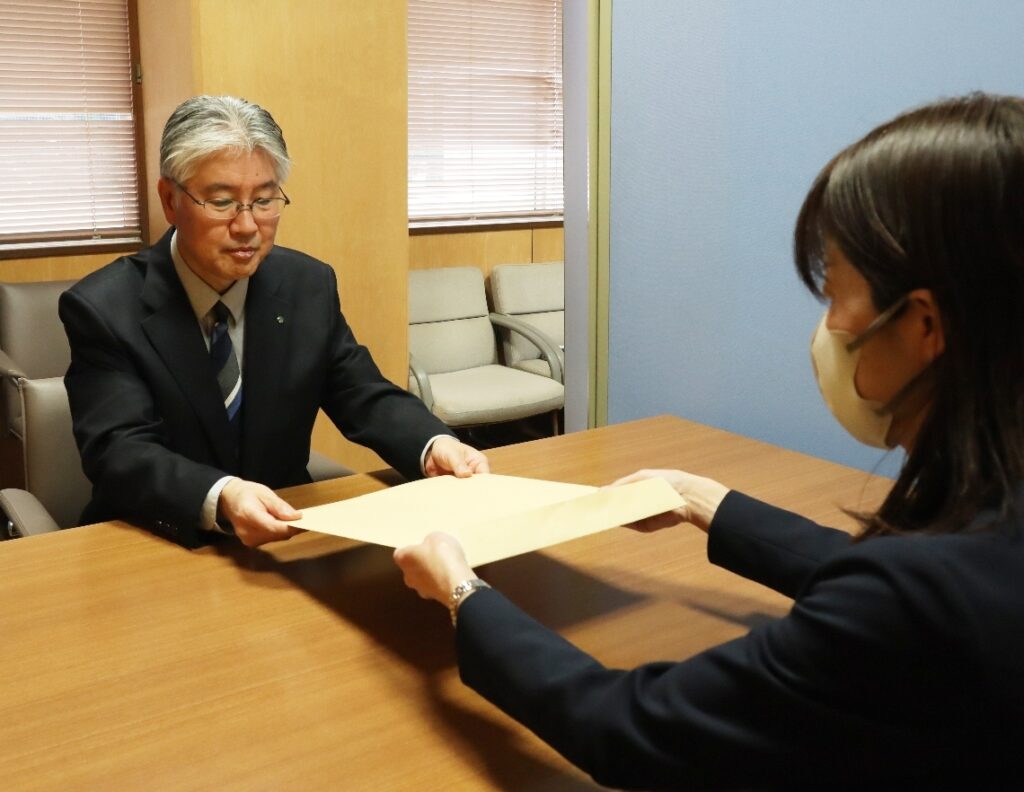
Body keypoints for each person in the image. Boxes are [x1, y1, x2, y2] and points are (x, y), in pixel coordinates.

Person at [393, 92, 1024, 789]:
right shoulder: (982, 544)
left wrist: (462, 590)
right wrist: (708, 502)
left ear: (924, 327)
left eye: (836, 292)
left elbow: (628, 726)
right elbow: (891, 588)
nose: (827, 328)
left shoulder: (915, 599)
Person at [61, 95, 488, 549]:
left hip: (284, 534)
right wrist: (222, 495)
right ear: (170, 200)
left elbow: (359, 392)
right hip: (158, 538)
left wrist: (432, 445)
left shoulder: (307, 285)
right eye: (222, 202)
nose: (247, 226)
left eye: (264, 201)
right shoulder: (104, 307)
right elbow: (120, 451)